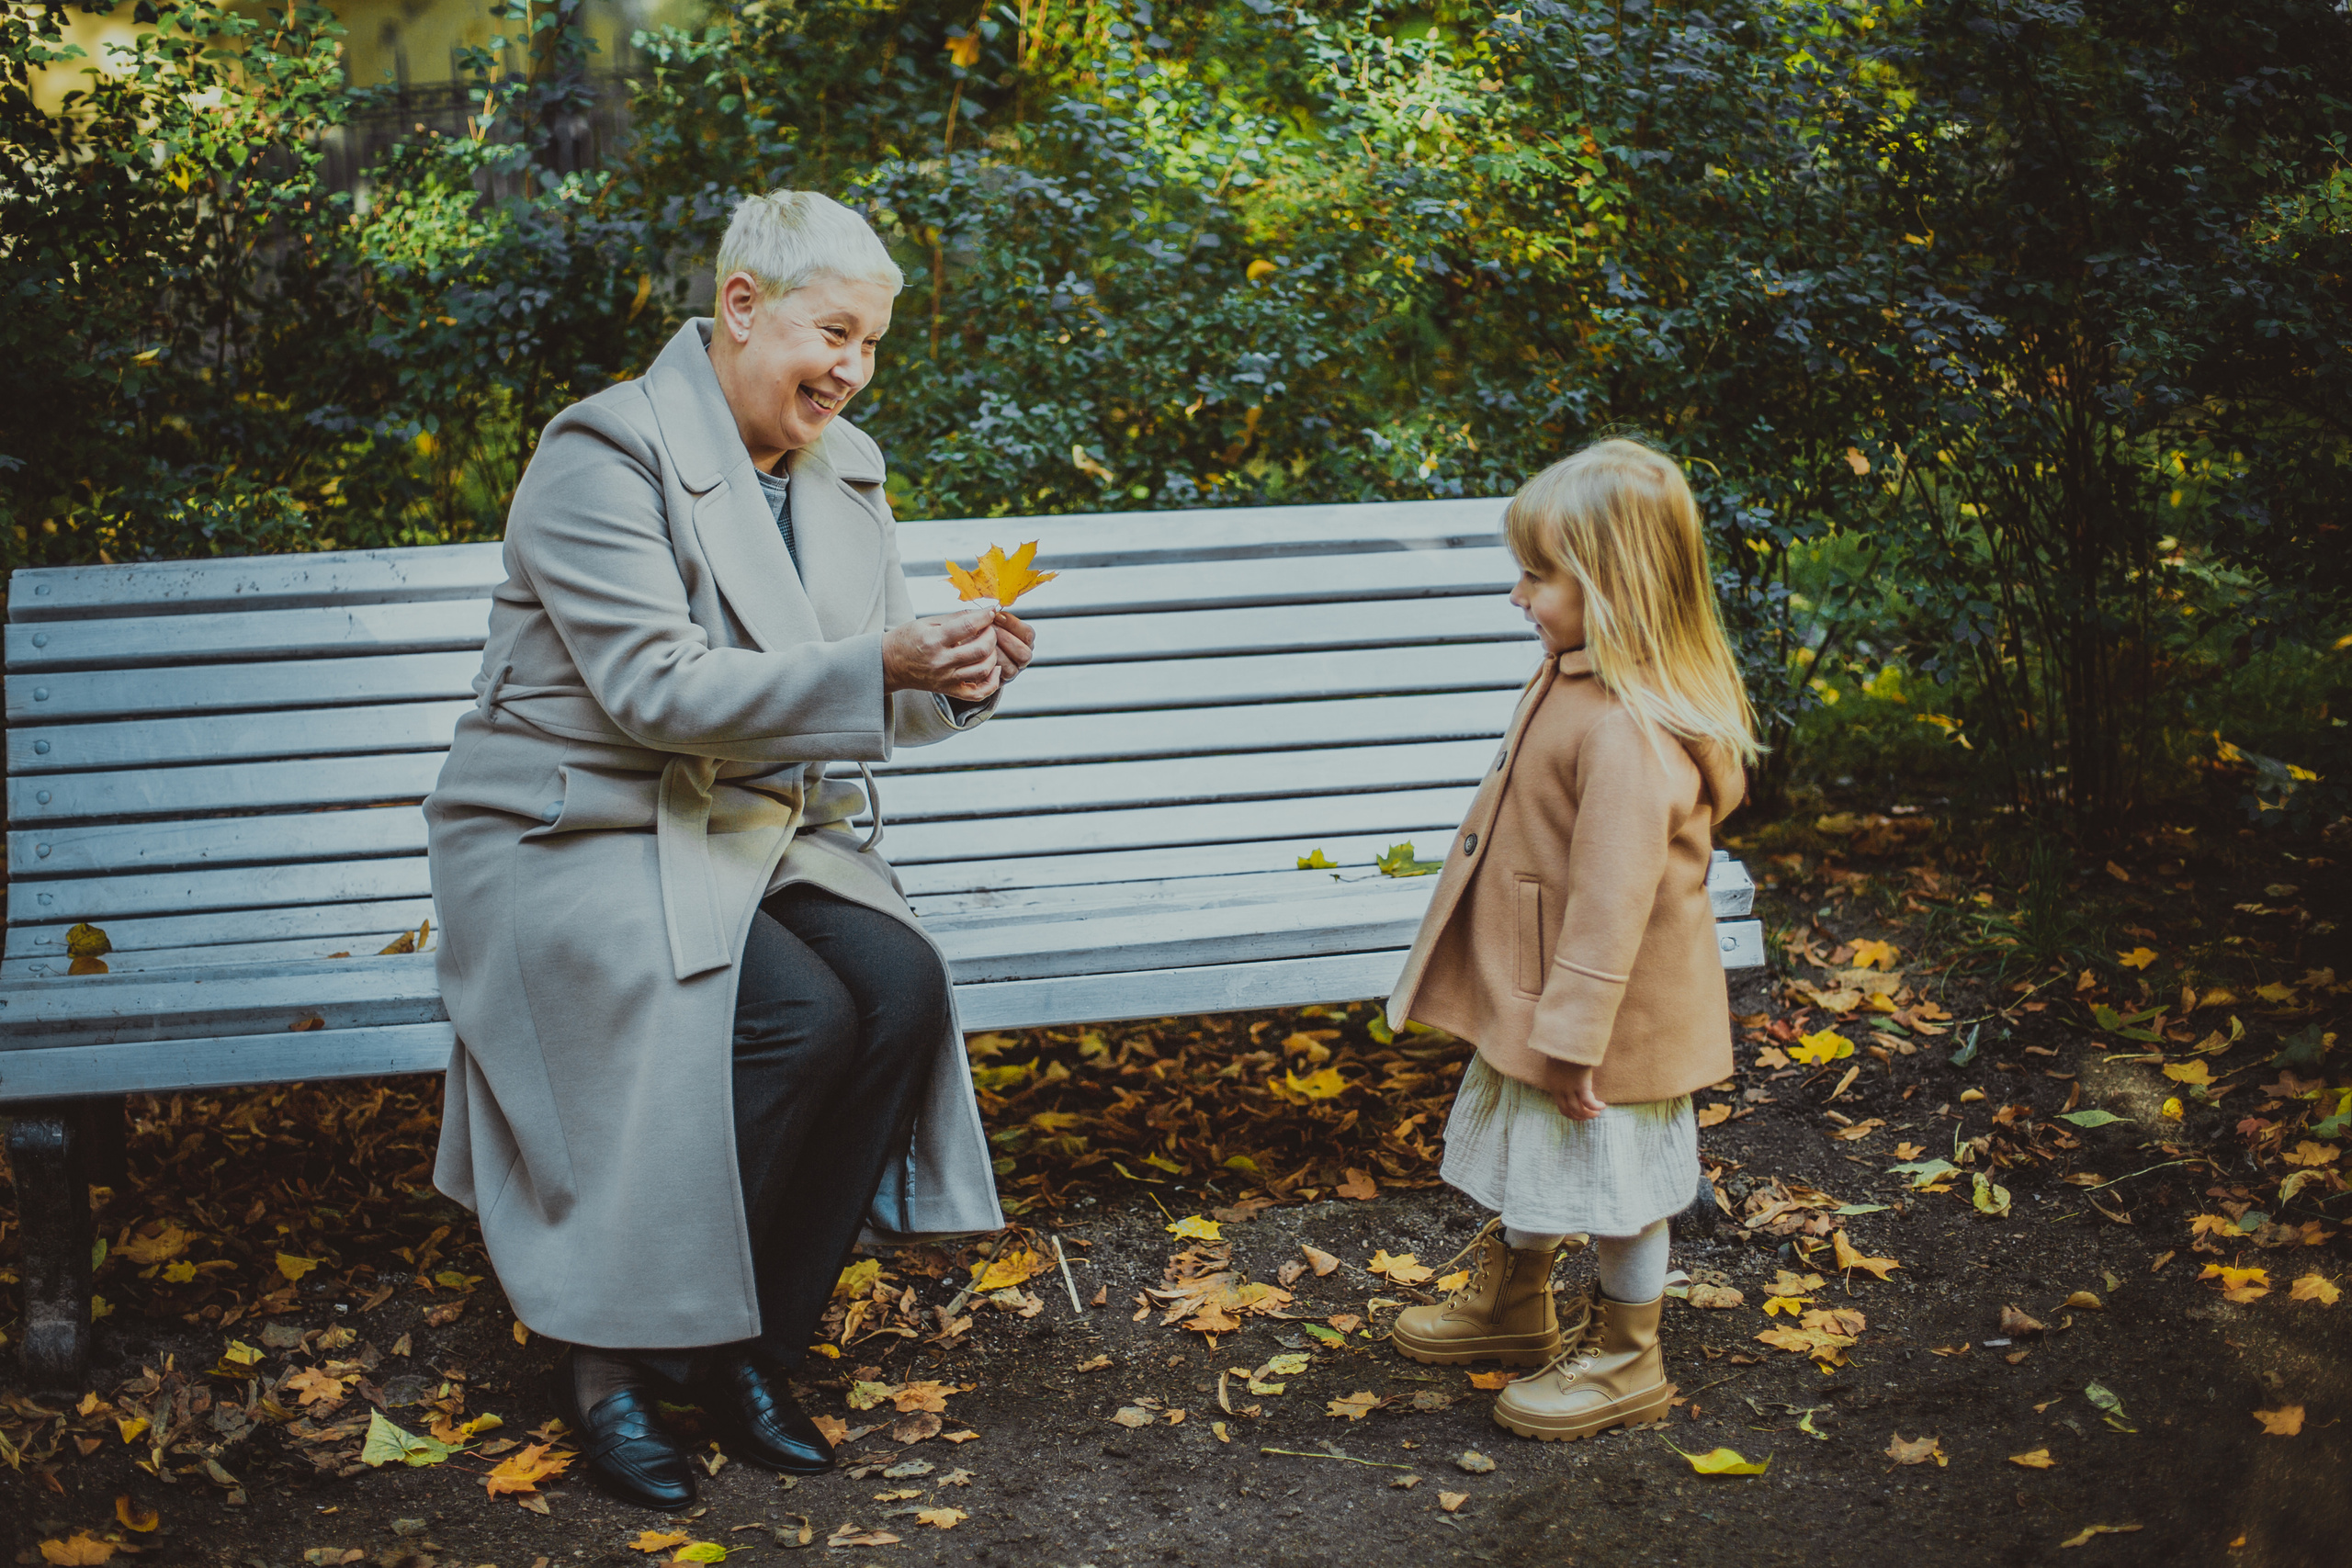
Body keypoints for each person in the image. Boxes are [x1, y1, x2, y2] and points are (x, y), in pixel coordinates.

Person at [423, 191, 1030, 1507]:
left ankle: (747, 1338)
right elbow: (656, 689)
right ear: (742, 306)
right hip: (572, 824)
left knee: (902, 987)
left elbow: (864, 697)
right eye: (835, 332)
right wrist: (881, 662)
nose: (854, 370)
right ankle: (608, 1357)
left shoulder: (840, 470)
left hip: (743, 822)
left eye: (871, 344)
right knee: (796, 1012)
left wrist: (962, 680)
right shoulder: (603, 452)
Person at [1381, 438, 1757, 1441]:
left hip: (1602, 1018)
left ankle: (1628, 1356)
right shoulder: (1575, 676)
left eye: (1539, 575)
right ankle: (1516, 1305)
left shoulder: (1628, 729)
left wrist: (1576, 1031)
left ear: (1614, 584)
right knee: (1539, 1157)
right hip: (1540, 992)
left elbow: (1610, 900)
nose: (1518, 594)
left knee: (1618, 1185)